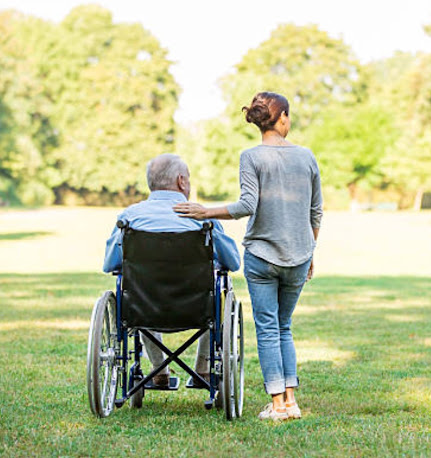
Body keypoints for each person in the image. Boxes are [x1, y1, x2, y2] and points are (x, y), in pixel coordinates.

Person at [174, 92, 323, 421]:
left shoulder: (250, 157)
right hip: (299, 255)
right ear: (281, 117)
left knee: (269, 328)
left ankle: (278, 405)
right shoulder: (307, 157)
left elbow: (246, 206)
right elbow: (316, 213)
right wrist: (309, 251)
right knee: (284, 326)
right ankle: (291, 401)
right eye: (289, 115)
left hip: (262, 255)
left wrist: (205, 211)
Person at [103, 153, 240, 388]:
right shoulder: (202, 218)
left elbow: (110, 265)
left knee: (139, 289)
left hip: (144, 308)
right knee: (218, 290)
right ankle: (204, 371)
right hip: (196, 308)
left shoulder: (129, 218)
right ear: (181, 181)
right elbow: (234, 263)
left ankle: (159, 372)